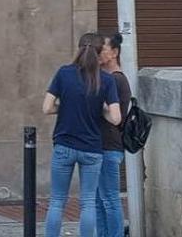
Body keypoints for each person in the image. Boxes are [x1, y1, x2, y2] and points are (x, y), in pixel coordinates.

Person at [43, 33, 123, 237]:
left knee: (57, 201)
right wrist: (100, 108)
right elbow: (116, 118)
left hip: (64, 144)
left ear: (78, 49)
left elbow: (46, 108)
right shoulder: (105, 80)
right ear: (99, 54)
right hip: (92, 148)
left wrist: (66, 106)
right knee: (87, 202)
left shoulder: (64, 73)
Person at [96, 33, 132, 237]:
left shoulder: (115, 80)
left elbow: (115, 115)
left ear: (115, 52)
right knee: (99, 200)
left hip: (109, 145)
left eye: (103, 49)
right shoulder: (105, 78)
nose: (99, 53)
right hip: (101, 145)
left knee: (109, 199)